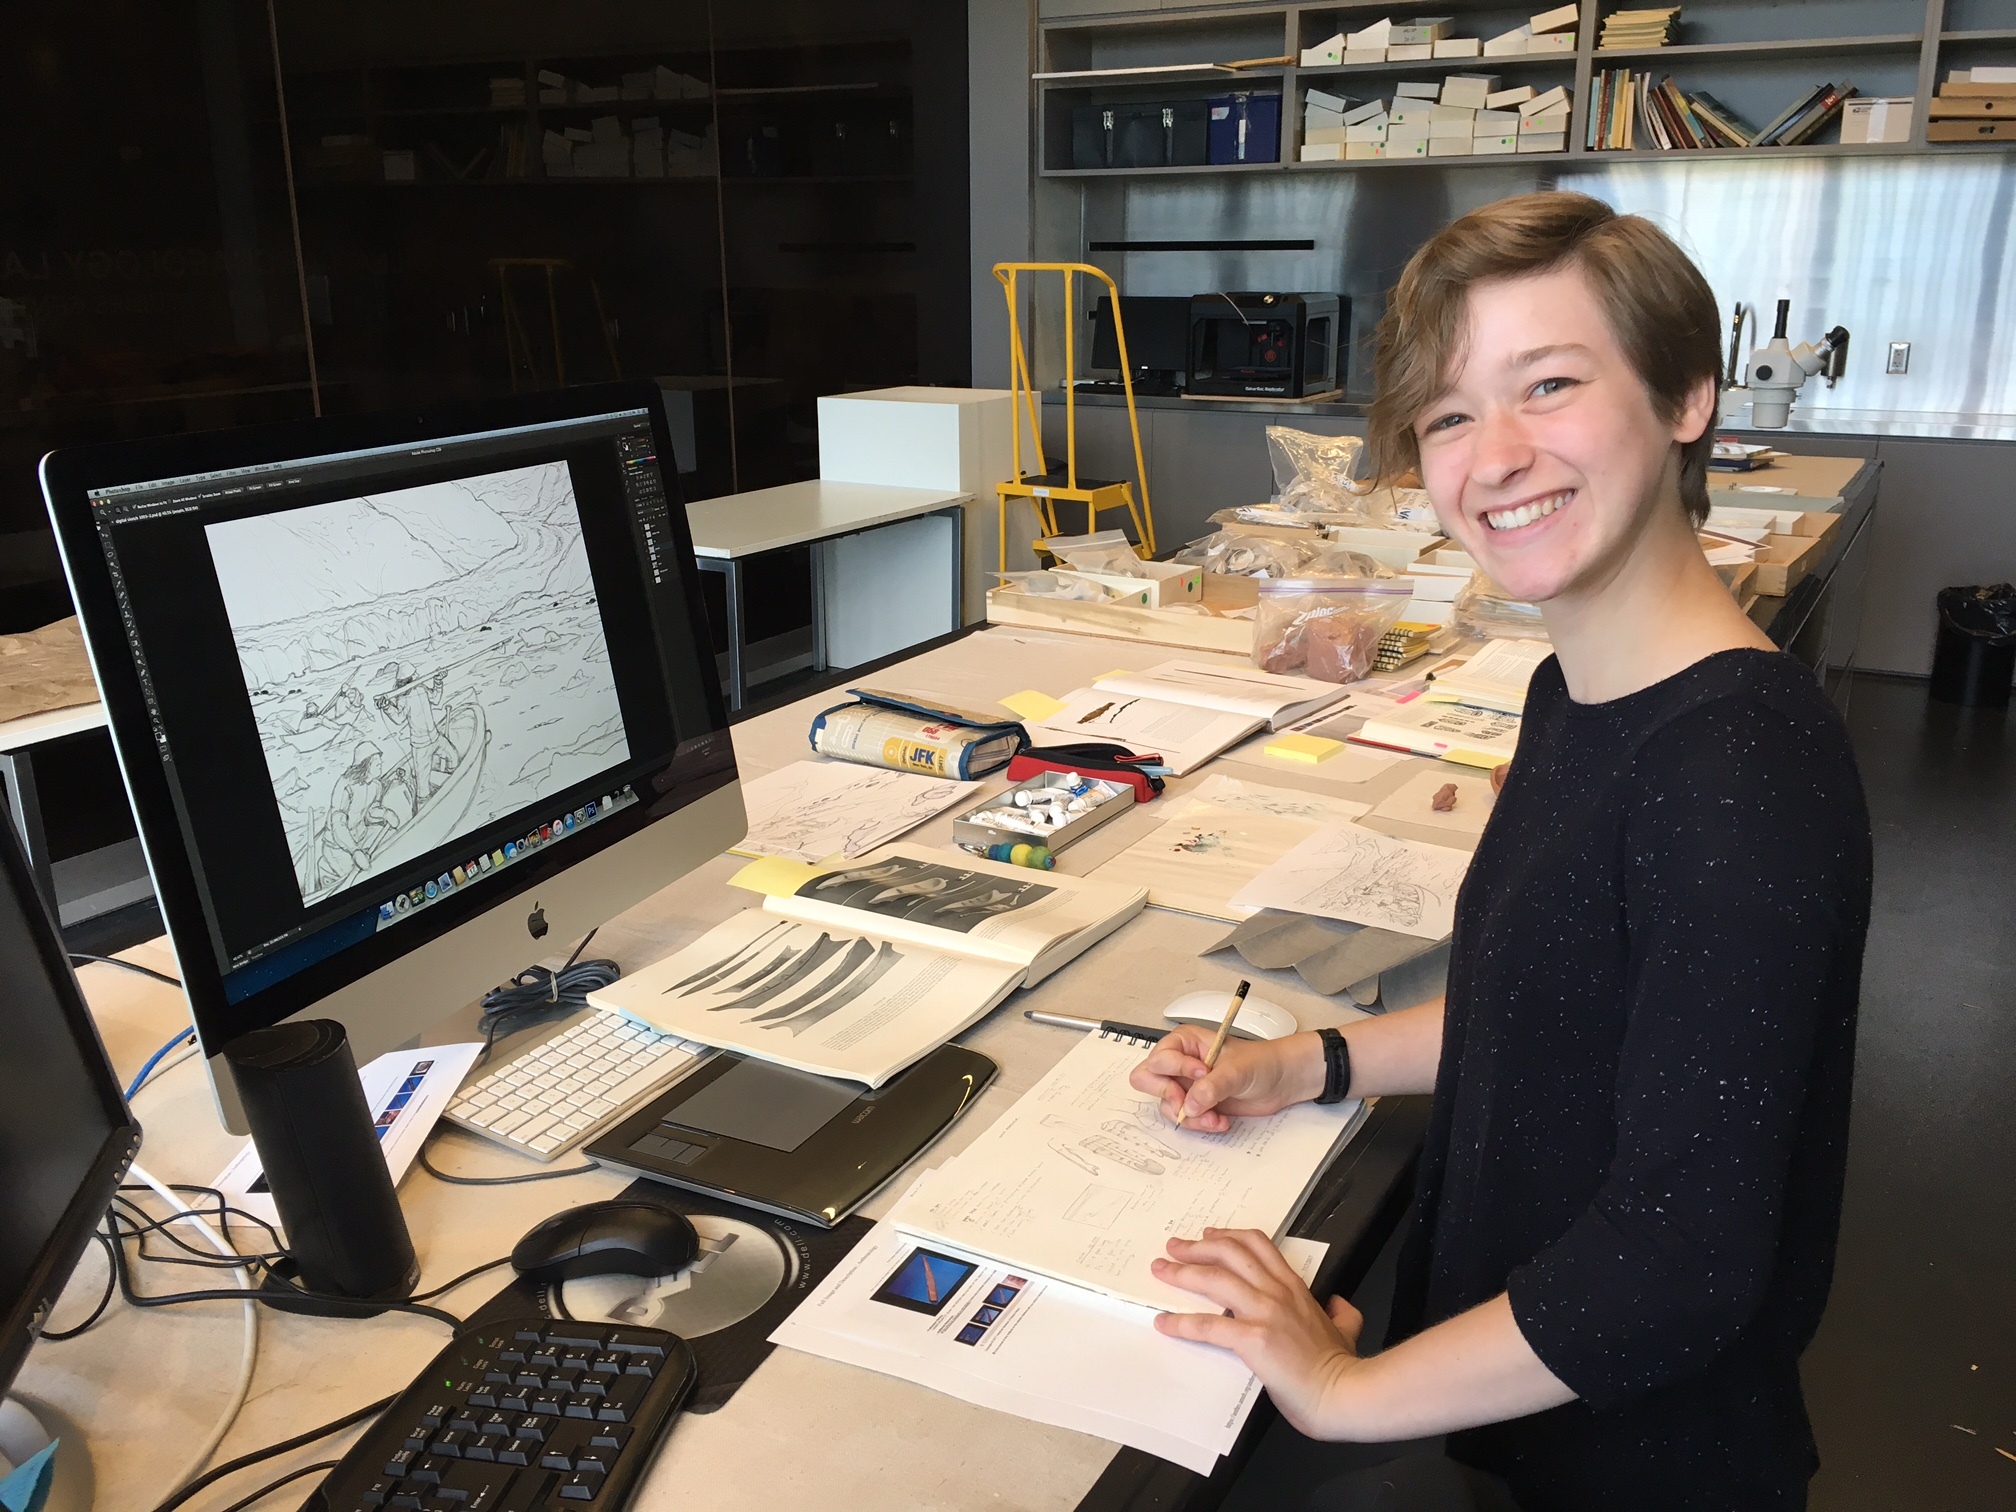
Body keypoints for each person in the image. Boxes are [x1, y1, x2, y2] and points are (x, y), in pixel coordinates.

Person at [1130, 192, 1872, 1511]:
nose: (1496, 456)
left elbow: (1678, 1262)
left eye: (1550, 384)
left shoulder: (1737, 769)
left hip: (1647, 1464)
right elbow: (1554, 1005)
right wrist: (1308, 1061)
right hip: (1537, 1421)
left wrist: (1345, 1390)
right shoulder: (1579, 689)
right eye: (1452, 414)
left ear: (1687, 395)